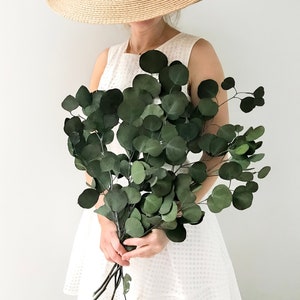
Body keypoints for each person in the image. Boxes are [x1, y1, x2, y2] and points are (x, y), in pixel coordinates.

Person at [48, 0, 242, 299]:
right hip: (111, 226)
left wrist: (170, 220)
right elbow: (92, 153)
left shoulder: (196, 52)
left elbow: (216, 151)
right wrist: (103, 215)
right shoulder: (107, 59)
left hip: (176, 222)